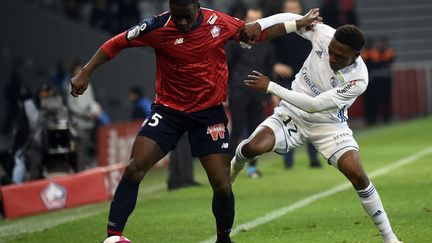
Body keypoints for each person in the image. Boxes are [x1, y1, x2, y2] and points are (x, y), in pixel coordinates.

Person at [69, 0, 280, 241]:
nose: (181, 22)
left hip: (208, 114)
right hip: (168, 111)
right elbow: (116, 43)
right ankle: (113, 236)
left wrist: (298, 23)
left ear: (197, 7)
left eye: (186, 17)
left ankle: (223, 238)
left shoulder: (218, 21)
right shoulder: (156, 26)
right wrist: (86, 72)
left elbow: (258, 32)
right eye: (176, 16)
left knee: (221, 184)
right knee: (134, 168)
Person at [230, 9, 402, 243]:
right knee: (252, 148)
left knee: (358, 175)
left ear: (355, 55)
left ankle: (389, 238)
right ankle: (229, 177)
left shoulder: (359, 78)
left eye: (339, 57)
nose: (332, 58)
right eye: (331, 52)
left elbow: (314, 106)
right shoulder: (323, 33)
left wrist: (271, 87)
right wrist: (259, 25)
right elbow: (287, 16)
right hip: (292, 113)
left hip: (328, 124)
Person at [226, 7, 275, 178]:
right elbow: (227, 67)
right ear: (245, 20)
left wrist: (269, 93)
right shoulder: (235, 41)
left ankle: (252, 169)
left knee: (256, 132)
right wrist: (225, 91)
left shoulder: (266, 43)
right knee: (237, 129)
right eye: (250, 19)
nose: (253, 23)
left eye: (257, 20)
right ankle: (229, 167)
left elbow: (269, 69)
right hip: (238, 90)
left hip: (258, 92)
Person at [272, 0, 322, 169]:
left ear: (301, 10)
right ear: (284, 11)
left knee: (313, 117)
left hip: (309, 81)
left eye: (295, 8)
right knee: (287, 117)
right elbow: (266, 52)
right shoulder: (277, 31)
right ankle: (288, 162)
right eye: (288, 9)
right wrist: (275, 65)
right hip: (286, 81)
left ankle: (314, 159)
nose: (292, 11)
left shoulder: (311, 28)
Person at [362, 37, 395, 125]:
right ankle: (371, 119)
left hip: (385, 79)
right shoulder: (368, 53)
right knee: (371, 100)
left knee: (385, 100)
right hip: (372, 80)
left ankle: (386, 118)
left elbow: (389, 59)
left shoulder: (388, 52)